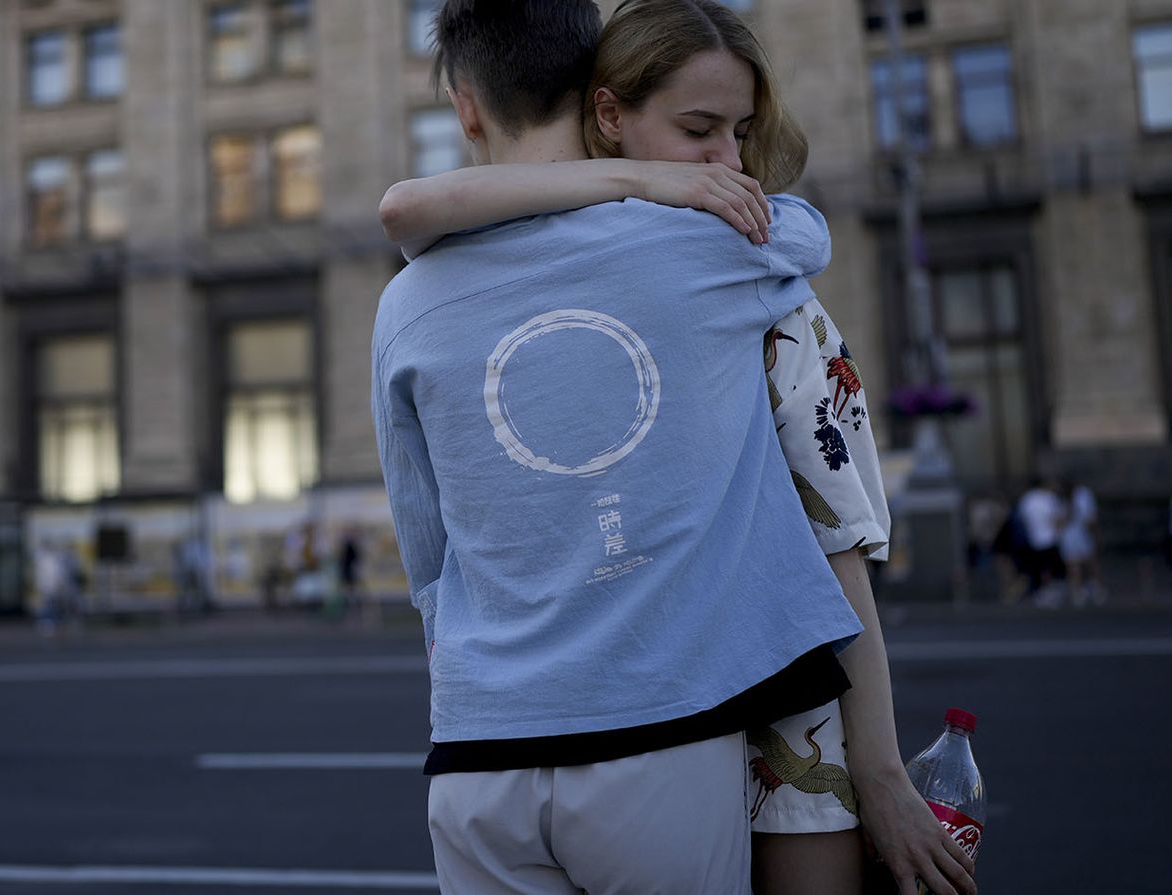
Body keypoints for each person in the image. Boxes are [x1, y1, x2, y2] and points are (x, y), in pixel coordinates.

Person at [373, 3, 969, 893]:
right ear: (598, 103)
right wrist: (651, 186)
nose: (725, 160)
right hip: (657, 730)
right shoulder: (715, 248)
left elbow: (427, 560)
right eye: (702, 132)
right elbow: (804, 234)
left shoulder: (404, 303)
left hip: (476, 751)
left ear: (465, 109)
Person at [1016, 478, 1066, 604]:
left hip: (1034, 539)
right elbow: (1058, 517)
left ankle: (1043, 591)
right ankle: (1051, 592)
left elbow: (1022, 518)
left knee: (1041, 567)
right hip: (1050, 537)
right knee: (1051, 568)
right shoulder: (1049, 497)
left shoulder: (1026, 499)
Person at [1059, 480, 1104, 607]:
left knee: (1074, 566)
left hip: (1069, 537)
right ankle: (1094, 589)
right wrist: (1095, 534)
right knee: (1089, 562)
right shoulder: (1081, 498)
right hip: (1081, 535)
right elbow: (1090, 519)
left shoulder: (1063, 501)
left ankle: (1079, 592)